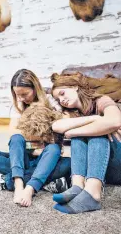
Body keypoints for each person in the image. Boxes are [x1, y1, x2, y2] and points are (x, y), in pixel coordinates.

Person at [0, 69, 71, 207]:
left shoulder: (51, 102)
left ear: (35, 88)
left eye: (24, 94)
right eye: (17, 95)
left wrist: (38, 142)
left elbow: (55, 136)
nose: (20, 98)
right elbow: (14, 134)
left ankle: (14, 183)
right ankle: (23, 183)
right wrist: (33, 148)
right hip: (24, 154)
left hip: (45, 155)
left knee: (63, 159)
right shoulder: (17, 105)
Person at [51, 72, 121, 214]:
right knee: (80, 135)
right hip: (102, 168)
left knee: (96, 135)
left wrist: (76, 131)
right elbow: (56, 126)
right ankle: (77, 187)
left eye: (63, 93)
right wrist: (96, 119)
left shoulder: (101, 100)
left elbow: (116, 121)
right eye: (58, 99)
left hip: (118, 163)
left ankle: (93, 194)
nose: (62, 100)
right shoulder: (71, 112)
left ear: (75, 86)